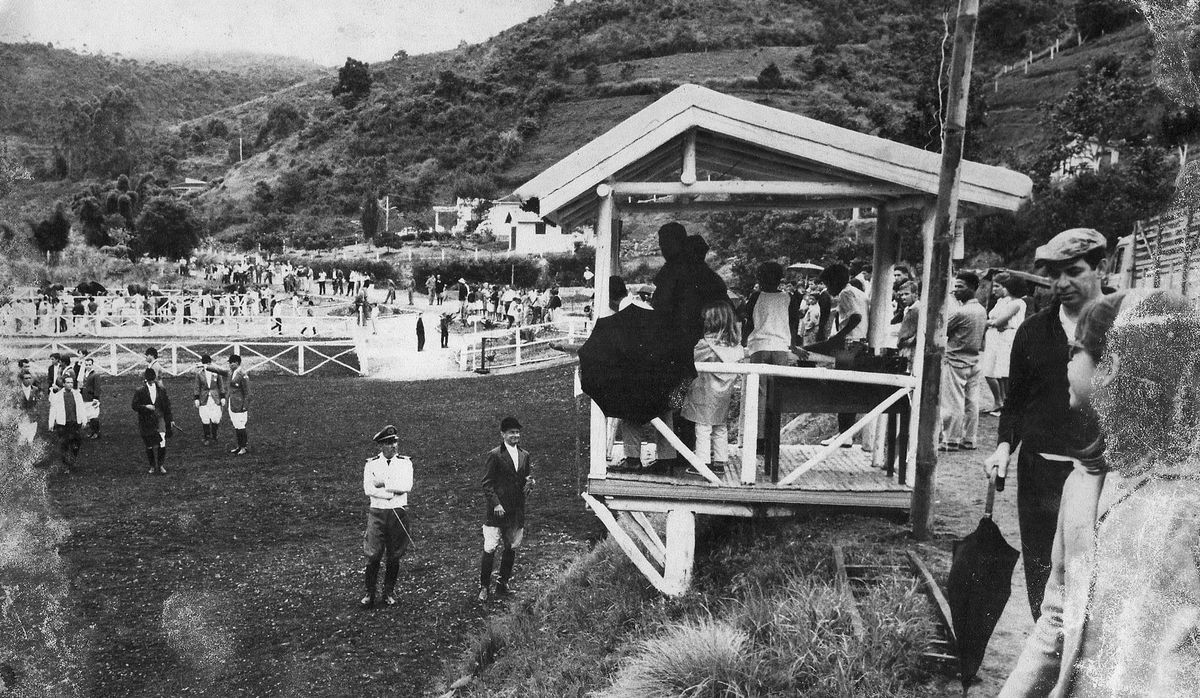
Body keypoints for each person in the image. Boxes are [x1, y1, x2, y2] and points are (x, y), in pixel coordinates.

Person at [999, 290, 1200, 697]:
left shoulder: (1187, 501)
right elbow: (1056, 619)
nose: (1067, 364)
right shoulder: (1084, 483)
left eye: (1076, 352)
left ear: (1114, 367)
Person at [984, 228, 1108, 621]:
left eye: (1073, 271)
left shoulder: (1124, 328)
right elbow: (1016, 402)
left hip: (1101, 475)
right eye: (1054, 275)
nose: (1062, 284)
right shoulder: (1034, 331)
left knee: (1095, 580)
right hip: (1041, 471)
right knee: (1043, 577)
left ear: (1101, 268)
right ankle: (1048, 664)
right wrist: (1004, 447)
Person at [681, 301, 745, 475]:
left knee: (702, 428)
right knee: (720, 426)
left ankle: (702, 464)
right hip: (723, 393)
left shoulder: (705, 345)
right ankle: (719, 461)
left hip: (704, 392)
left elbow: (689, 358)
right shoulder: (735, 347)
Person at [479, 416, 534, 602]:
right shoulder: (494, 455)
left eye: (517, 432)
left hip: (515, 510)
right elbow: (487, 484)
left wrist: (530, 483)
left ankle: (502, 585)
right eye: (511, 432)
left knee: (511, 547)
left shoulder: (525, 455)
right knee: (491, 547)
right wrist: (496, 504)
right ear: (503, 434)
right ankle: (484, 587)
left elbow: (526, 478)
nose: (515, 436)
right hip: (497, 512)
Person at [360, 425, 413, 609]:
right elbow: (368, 489)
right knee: (373, 554)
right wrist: (389, 494)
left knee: (394, 554)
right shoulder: (372, 464)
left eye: (395, 442)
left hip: (398, 512)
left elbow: (406, 485)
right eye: (389, 443)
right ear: (381, 446)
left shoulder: (405, 462)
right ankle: (369, 592)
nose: (394, 446)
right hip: (377, 511)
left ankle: (389, 592)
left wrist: (383, 483)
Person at [939, 271, 987, 451]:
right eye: (955, 286)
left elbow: (942, 328)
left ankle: (951, 439)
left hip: (956, 360)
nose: (956, 290)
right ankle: (969, 438)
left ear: (973, 288)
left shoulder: (961, 312)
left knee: (953, 402)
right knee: (972, 402)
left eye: (960, 286)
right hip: (974, 359)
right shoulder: (981, 310)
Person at [982, 273, 1027, 416]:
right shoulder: (1004, 302)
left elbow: (999, 322)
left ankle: (1009, 405)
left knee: (1005, 372)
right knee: (1000, 372)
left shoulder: (1017, 303)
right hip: (1001, 337)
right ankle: (1002, 404)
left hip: (1009, 337)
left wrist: (990, 323)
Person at [205, 354, 251, 455]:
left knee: (241, 425)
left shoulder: (242, 374)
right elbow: (219, 370)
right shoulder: (231, 372)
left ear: (237, 363)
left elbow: (248, 393)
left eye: (231, 363)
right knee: (236, 425)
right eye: (229, 363)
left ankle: (244, 447)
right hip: (232, 403)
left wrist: (245, 406)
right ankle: (239, 446)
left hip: (239, 404)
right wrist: (206, 366)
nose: (230, 365)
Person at [131, 368, 173, 475]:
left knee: (162, 441)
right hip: (147, 421)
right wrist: (146, 407)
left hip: (160, 419)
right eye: (148, 380)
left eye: (152, 380)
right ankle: (152, 465)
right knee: (149, 444)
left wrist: (171, 419)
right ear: (145, 380)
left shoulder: (161, 390)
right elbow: (134, 406)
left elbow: (167, 406)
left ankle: (161, 464)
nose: (150, 382)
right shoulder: (140, 391)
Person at [48, 374, 87, 472]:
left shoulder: (77, 394)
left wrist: (84, 419)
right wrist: (51, 423)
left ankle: (72, 461)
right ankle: (66, 465)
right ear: (64, 384)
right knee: (64, 444)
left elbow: (81, 407)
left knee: (76, 443)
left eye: (71, 383)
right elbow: (53, 409)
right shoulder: (57, 396)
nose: (70, 384)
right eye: (68, 383)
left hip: (74, 423)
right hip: (63, 424)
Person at [193, 354, 225, 447]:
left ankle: (214, 436)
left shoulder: (216, 373)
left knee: (215, 418)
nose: (207, 365)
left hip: (215, 398)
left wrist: (222, 397)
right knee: (205, 417)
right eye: (205, 363)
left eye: (208, 363)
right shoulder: (199, 374)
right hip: (204, 398)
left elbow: (221, 385)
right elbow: (197, 387)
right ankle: (207, 437)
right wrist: (196, 398)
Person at [14, 369, 41, 445]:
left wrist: (36, 413)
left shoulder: (35, 389)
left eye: (30, 378)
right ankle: (20, 455)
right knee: (21, 440)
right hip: (22, 419)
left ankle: (29, 455)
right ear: (22, 380)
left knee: (30, 440)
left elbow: (37, 403)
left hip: (32, 418)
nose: (29, 380)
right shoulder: (17, 390)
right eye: (26, 378)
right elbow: (15, 405)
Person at [78, 355, 102, 439]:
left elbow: (97, 387)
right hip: (85, 397)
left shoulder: (95, 375)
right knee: (88, 416)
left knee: (94, 416)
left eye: (89, 364)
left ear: (93, 365)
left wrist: (96, 398)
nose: (88, 366)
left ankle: (96, 432)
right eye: (86, 364)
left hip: (92, 398)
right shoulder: (85, 374)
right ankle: (92, 432)